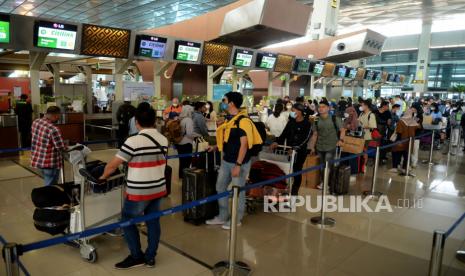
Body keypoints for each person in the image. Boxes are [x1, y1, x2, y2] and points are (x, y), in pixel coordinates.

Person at [99, 105, 167, 269]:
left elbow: (113, 165)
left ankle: (137, 256)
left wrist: (103, 177)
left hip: (139, 191)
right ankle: (150, 257)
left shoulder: (133, 141)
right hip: (158, 188)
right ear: (154, 121)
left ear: (136, 122)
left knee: (127, 221)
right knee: (153, 222)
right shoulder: (163, 139)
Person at [206, 92, 262, 230]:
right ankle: (223, 216)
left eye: (224, 100)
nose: (222, 102)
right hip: (226, 160)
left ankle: (237, 219)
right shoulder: (229, 119)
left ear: (231, 103)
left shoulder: (243, 121)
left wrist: (238, 165)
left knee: (238, 191)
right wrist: (215, 147)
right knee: (220, 187)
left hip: (239, 162)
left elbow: (244, 145)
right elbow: (228, 140)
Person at [271, 103, 312, 195]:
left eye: (294, 110)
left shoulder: (307, 124)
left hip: (300, 152)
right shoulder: (291, 122)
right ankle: (284, 189)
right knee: (286, 170)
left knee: (297, 171)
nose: (292, 112)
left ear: (300, 112)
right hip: (288, 150)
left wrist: (295, 148)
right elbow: (284, 134)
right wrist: (277, 142)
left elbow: (305, 139)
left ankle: (294, 192)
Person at [309, 100, 344, 189]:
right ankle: (324, 182)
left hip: (331, 145)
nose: (321, 109)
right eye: (319, 107)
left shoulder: (335, 118)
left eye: (323, 107)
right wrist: (312, 147)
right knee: (321, 166)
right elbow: (315, 134)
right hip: (320, 146)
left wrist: (341, 140)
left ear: (328, 108)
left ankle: (327, 184)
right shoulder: (316, 119)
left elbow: (342, 130)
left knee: (328, 166)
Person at [31, 106, 66, 186]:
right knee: (50, 186)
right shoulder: (53, 129)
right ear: (55, 115)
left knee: (47, 180)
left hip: (39, 159)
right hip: (50, 163)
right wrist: (65, 146)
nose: (58, 118)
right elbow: (60, 147)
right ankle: (49, 198)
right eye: (58, 116)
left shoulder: (36, 122)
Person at [390, 108, 420, 173]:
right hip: (410, 141)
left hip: (402, 140)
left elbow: (399, 132)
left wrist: (398, 141)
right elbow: (419, 128)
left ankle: (395, 167)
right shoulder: (413, 121)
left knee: (396, 152)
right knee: (407, 154)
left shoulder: (401, 121)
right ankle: (404, 167)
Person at [175, 105, 197, 179]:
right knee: (187, 162)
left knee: (182, 161)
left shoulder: (181, 119)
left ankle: (181, 176)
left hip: (179, 143)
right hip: (187, 143)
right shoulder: (188, 120)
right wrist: (197, 135)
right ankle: (186, 178)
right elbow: (189, 133)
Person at [358, 100, 378, 173]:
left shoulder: (371, 115)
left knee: (364, 152)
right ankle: (360, 166)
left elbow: (372, 126)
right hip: (360, 136)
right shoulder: (361, 114)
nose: (361, 106)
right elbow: (358, 121)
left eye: (362, 105)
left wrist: (363, 126)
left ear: (366, 106)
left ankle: (364, 166)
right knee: (360, 151)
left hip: (367, 136)